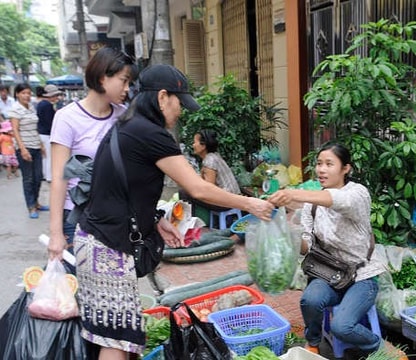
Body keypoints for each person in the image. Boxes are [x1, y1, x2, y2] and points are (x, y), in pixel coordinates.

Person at [47, 63, 274, 359]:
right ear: (163, 97)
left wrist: (155, 221)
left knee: (120, 336)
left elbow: (123, 188)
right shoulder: (151, 133)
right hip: (108, 249)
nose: (180, 111)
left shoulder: (128, 125)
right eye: (180, 103)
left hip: (97, 242)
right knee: (116, 341)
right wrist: (251, 203)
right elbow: (199, 188)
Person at [268, 142, 386, 356]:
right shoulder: (311, 206)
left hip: (361, 277)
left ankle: (376, 345)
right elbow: (307, 246)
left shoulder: (357, 194)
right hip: (329, 273)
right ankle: (313, 342)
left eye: (329, 164)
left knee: (342, 327)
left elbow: (337, 200)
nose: (321, 169)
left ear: (345, 168)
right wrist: (287, 235)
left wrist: (293, 194)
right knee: (309, 300)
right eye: (319, 163)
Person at [49, 47, 136, 252]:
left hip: (115, 217)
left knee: (111, 281)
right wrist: (56, 234)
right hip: (78, 217)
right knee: (77, 279)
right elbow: (59, 178)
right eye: (124, 81)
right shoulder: (66, 118)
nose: (127, 89)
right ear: (103, 77)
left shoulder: (124, 116)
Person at [8, 83, 47, 219]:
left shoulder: (31, 107)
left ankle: (36, 202)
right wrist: (23, 149)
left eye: (29, 93)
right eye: (24, 93)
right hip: (24, 147)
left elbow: (35, 128)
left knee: (38, 177)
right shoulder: (15, 110)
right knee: (28, 179)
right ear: (17, 94)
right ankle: (31, 206)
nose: (27, 96)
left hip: (36, 145)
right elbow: (15, 131)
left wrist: (41, 144)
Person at [37, 84, 62, 182]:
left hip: (41, 133)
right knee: (49, 156)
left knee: (45, 157)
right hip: (46, 134)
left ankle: (44, 174)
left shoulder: (41, 104)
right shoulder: (47, 105)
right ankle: (49, 176)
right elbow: (49, 122)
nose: (56, 97)